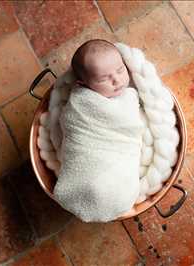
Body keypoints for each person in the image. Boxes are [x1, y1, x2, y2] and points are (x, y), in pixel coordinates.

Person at [53, 39, 145, 222]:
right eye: (104, 79)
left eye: (120, 70)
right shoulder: (80, 104)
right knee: (95, 185)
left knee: (104, 186)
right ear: (84, 84)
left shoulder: (129, 95)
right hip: (91, 152)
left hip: (114, 157)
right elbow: (70, 124)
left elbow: (128, 128)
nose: (117, 80)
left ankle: (104, 191)